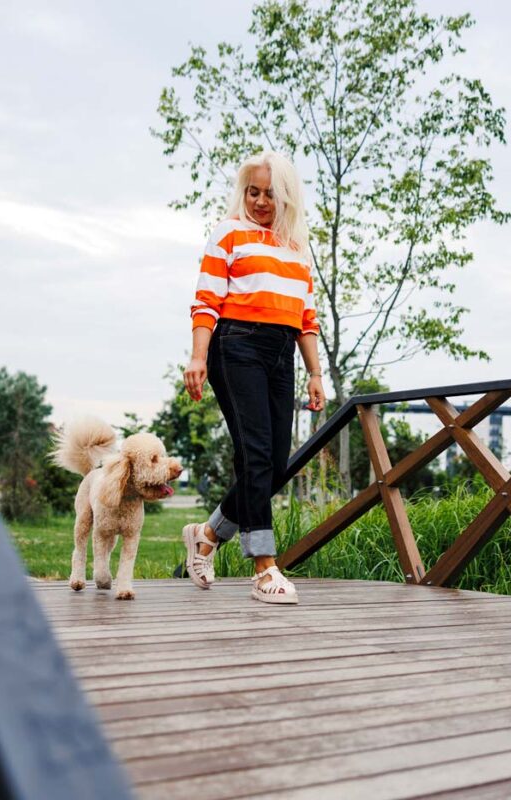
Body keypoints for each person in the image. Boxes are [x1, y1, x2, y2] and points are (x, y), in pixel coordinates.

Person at [182, 151, 325, 604]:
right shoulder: (228, 233)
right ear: (243, 192)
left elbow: (306, 317)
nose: (261, 201)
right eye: (253, 192)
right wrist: (198, 356)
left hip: (283, 353)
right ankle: (263, 565)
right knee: (255, 453)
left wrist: (316, 373)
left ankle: (207, 534)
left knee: (276, 462)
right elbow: (206, 300)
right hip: (235, 345)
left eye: (271, 193)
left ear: (287, 198)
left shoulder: (297, 247)